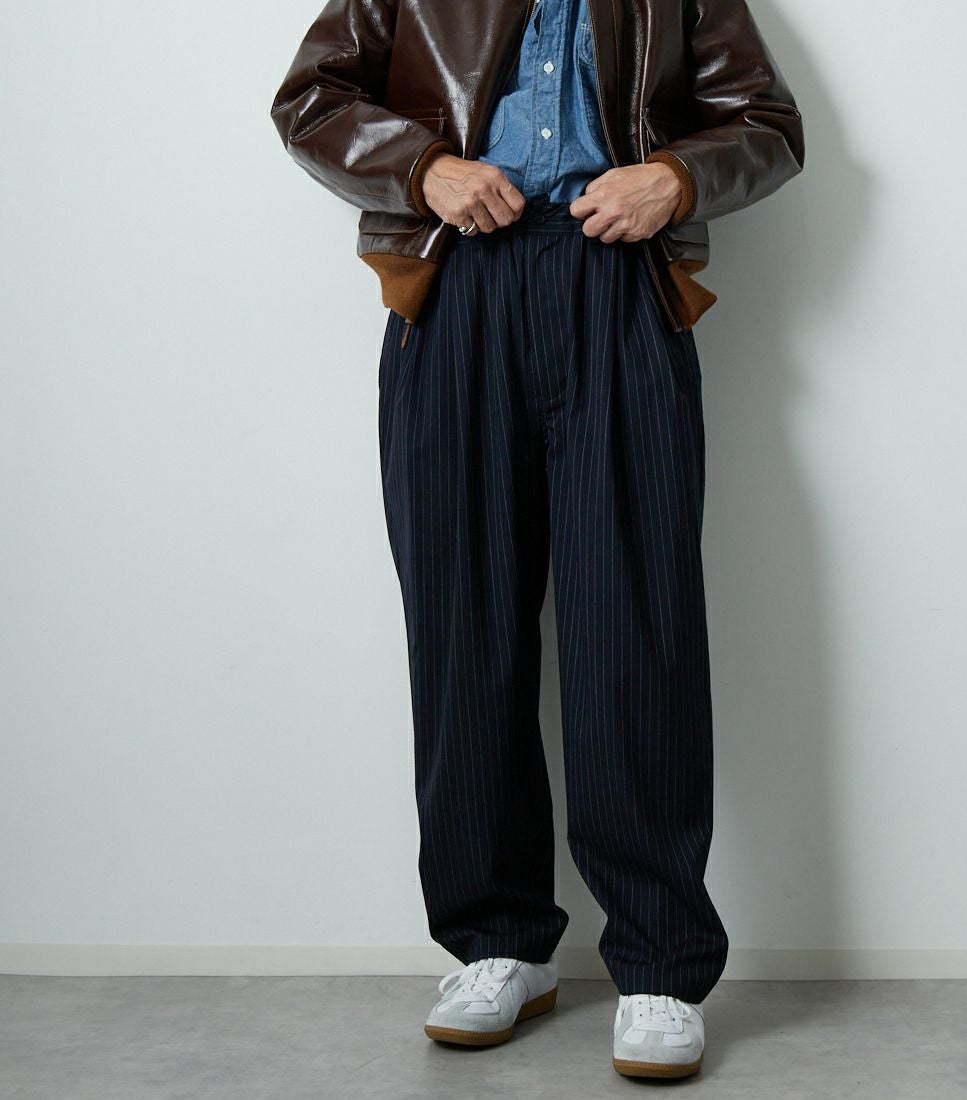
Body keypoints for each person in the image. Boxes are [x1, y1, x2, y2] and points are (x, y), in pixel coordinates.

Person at [271, 0, 804, 1079]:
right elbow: (311, 98)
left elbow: (766, 123)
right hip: (454, 286)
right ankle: (496, 943)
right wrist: (423, 167)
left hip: (620, 284)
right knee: (463, 627)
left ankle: (658, 964)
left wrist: (676, 178)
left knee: (634, 629)